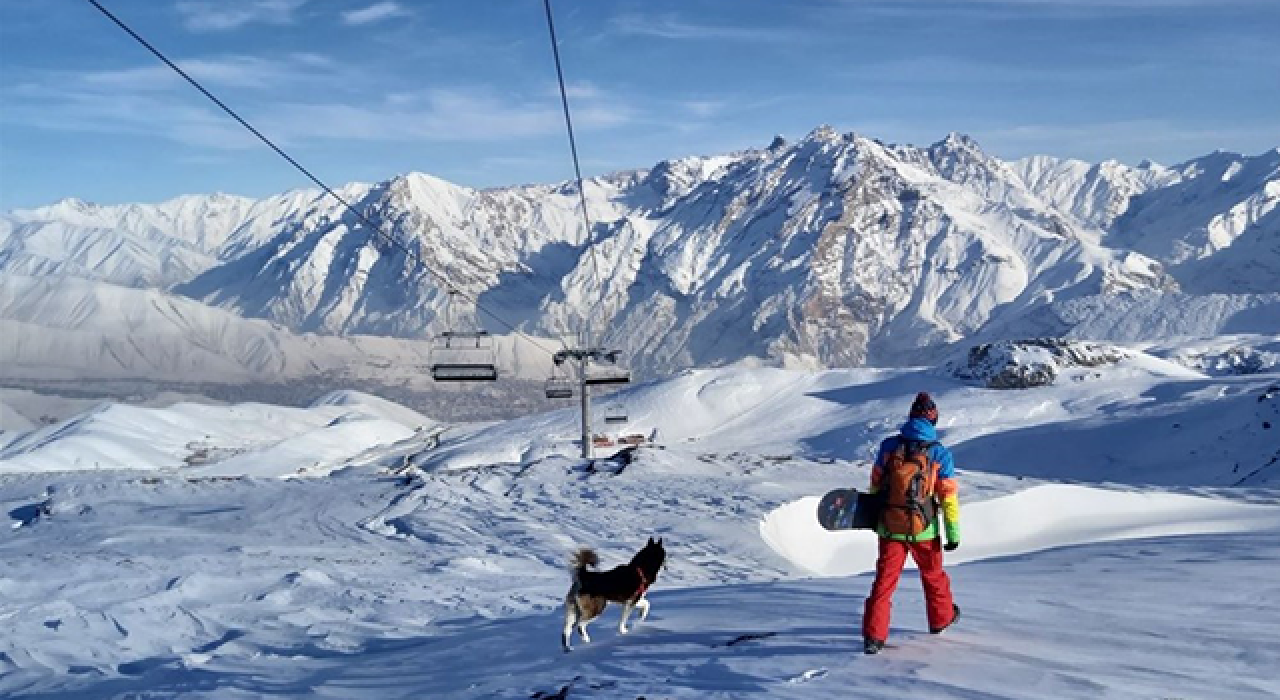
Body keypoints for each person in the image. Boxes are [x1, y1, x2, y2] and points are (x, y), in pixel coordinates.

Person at [862, 392, 960, 655]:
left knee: (884, 582)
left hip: (890, 527)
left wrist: (875, 516)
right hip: (924, 529)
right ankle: (941, 620)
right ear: (933, 420)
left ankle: (874, 636)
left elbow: (875, 485)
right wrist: (953, 534)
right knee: (933, 576)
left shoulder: (888, 447)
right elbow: (948, 498)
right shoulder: (940, 454)